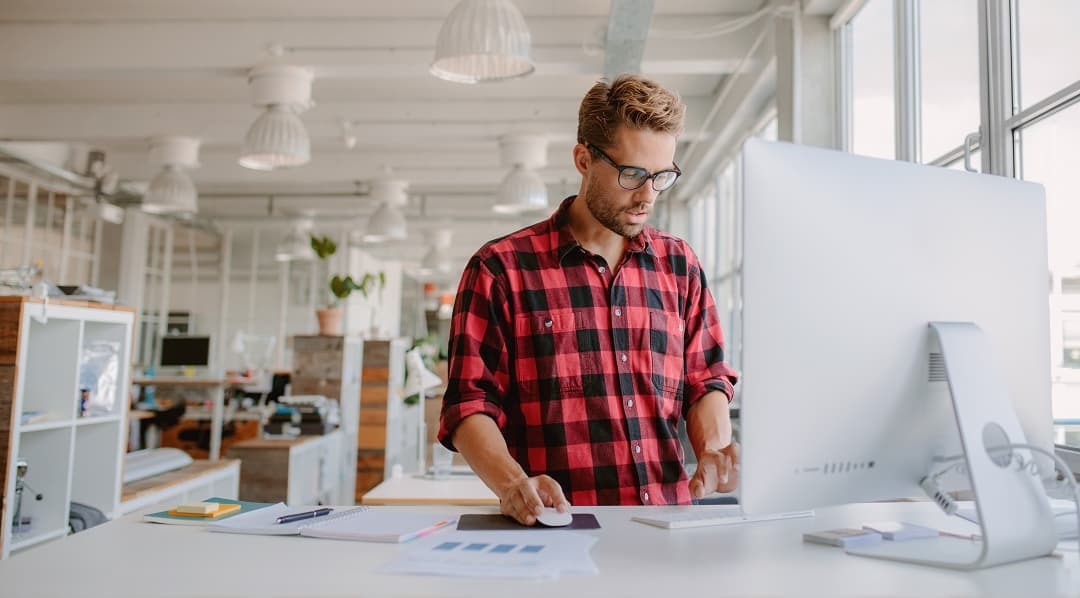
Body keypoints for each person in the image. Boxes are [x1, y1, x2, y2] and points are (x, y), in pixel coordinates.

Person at [438, 74, 739, 525]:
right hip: (555, 529)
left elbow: (706, 379)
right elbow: (469, 404)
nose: (647, 196)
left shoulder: (680, 266)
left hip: (667, 528)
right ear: (583, 159)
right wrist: (511, 482)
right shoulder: (500, 269)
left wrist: (714, 449)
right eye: (633, 174)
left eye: (662, 176)